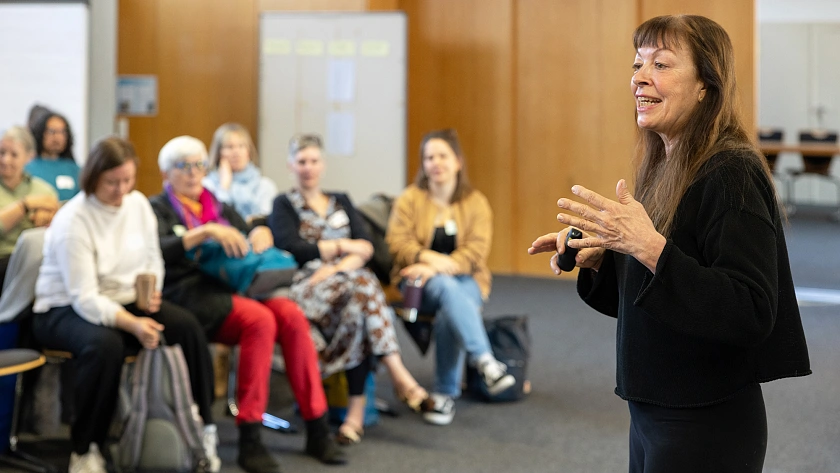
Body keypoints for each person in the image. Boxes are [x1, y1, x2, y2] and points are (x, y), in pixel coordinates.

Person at [528, 15, 811, 473]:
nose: (640, 77)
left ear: (706, 85)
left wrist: (648, 248)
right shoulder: (667, 166)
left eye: (661, 64)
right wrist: (605, 258)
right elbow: (662, 295)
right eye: (638, 63)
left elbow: (752, 309)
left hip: (705, 422)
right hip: (652, 413)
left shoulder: (731, 172)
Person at [149, 135, 345, 473]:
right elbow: (157, 250)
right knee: (260, 321)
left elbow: (250, 232)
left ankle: (317, 425)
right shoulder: (157, 207)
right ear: (167, 173)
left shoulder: (219, 205)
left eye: (199, 165)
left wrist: (259, 232)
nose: (194, 173)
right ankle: (250, 436)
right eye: (184, 166)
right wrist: (203, 233)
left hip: (235, 288)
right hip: (190, 294)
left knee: (291, 315)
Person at [30, 137, 217, 473]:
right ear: (93, 178)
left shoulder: (137, 205)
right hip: (63, 308)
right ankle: (86, 448)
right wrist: (132, 324)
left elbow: (152, 258)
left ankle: (203, 429)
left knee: (186, 327)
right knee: (105, 346)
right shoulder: (75, 219)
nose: (121, 190)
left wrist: (153, 292)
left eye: (127, 181)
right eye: (111, 182)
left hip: (124, 298)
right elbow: (84, 297)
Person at [270, 133, 433, 441]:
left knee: (358, 303)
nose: (308, 167)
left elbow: (368, 247)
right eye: (301, 161)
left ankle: (354, 418)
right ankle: (398, 379)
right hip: (309, 285)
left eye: (314, 160)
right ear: (291, 165)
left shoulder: (341, 199)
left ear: (323, 164)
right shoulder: (284, 204)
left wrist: (334, 261)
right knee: (365, 285)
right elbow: (293, 249)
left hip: (345, 279)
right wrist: (345, 248)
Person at [385, 129, 515, 426]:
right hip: (415, 283)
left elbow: (475, 254)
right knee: (444, 286)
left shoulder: (475, 203)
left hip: (467, 280)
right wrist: (429, 261)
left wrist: (439, 266)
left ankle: (444, 395)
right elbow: (397, 243)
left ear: (457, 161)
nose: (435, 163)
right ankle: (485, 361)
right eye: (429, 157)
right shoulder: (410, 199)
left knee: (450, 307)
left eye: (442, 156)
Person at [0, 126, 58, 289]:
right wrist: (25, 205)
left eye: (14, 154)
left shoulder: (44, 190)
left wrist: (45, 218)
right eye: (2, 152)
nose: (6, 160)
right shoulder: (36, 197)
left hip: (36, 263)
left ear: (28, 157)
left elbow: (55, 226)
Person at [203, 123, 277, 223]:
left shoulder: (265, 185)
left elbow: (266, 220)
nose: (236, 152)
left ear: (248, 152)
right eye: (229, 147)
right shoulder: (206, 185)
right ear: (218, 153)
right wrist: (224, 187)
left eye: (241, 146)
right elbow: (216, 218)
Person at [27, 111, 81, 201]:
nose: (57, 137)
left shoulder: (76, 170)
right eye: (52, 132)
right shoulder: (28, 168)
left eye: (62, 132)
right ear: (41, 134)